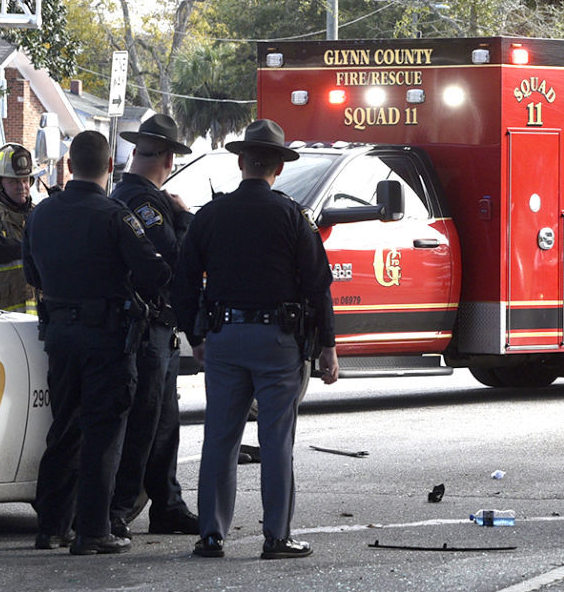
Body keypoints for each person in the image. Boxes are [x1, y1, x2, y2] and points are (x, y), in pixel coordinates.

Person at [172, 119, 339, 560]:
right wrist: (328, 346)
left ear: (242, 161)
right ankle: (276, 537)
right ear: (278, 168)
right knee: (276, 437)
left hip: (224, 338)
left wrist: (196, 335)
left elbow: (183, 282)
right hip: (278, 341)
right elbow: (317, 284)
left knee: (220, 438)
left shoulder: (210, 215)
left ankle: (211, 535)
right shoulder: (292, 216)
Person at [24, 130, 171, 555]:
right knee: (103, 431)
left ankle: (51, 526)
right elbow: (154, 272)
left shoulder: (41, 213)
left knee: (64, 427)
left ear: (69, 166)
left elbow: (31, 271)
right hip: (106, 336)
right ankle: (93, 530)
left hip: (59, 335)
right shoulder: (116, 215)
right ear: (110, 168)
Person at [108, 114, 201, 538]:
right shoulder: (142, 201)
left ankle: (166, 504)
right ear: (167, 157)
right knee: (144, 422)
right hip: (145, 326)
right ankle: (120, 507)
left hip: (157, 327)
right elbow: (173, 256)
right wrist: (182, 217)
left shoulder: (134, 194)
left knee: (164, 422)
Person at [0, 142, 37, 313]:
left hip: (35, 322)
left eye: (25, 180)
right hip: (3, 322)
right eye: (14, 182)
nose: (22, 187)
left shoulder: (39, 215)